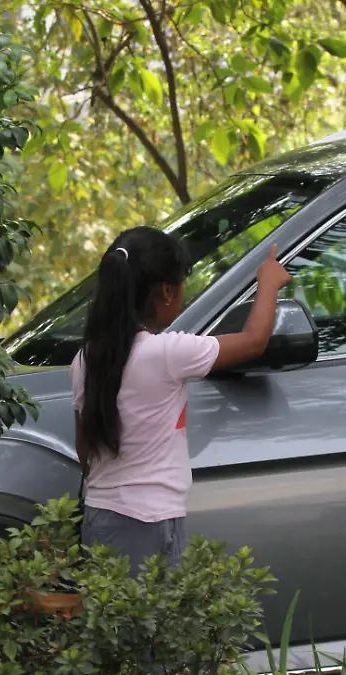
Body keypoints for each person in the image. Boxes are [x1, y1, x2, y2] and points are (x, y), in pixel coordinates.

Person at [70, 225, 291, 573]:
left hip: (99, 519)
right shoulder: (166, 353)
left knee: (113, 622)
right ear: (168, 291)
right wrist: (267, 281)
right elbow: (253, 341)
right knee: (152, 624)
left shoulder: (85, 358)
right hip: (149, 522)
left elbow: (85, 450)